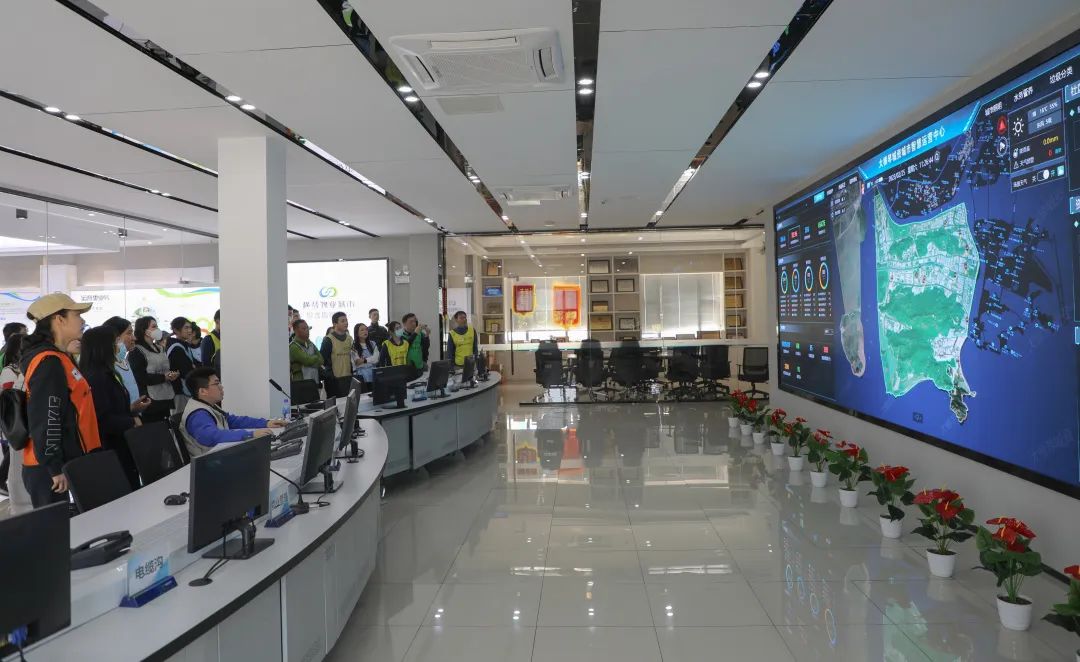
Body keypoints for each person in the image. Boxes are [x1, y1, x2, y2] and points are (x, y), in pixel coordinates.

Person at [20, 293, 103, 507]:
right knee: (56, 527)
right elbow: (47, 416)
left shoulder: (59, 357)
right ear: (59, 319)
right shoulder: (48, 361)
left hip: (63, 461)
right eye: (77, 315)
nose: (82, 320)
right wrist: (54, 467)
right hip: (50, 469)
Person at [79, 327, 145, 490]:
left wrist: (130, 409)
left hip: (121, 441)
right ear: (102, 347)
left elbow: (112, 406)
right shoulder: (96, 377)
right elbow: (101, 419)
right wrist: (132, 421)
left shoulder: (107, 372)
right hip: (110, 447)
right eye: (115, 342)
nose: (118, 346)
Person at [178, 367, 285, 458]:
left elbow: (233, 421)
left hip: (222, 455)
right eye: (216, 384)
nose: (221, 387)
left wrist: (266, 423)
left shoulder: (208, 405)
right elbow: (212, 436)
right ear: (202, 391)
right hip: (210, 463)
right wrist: (251, 434)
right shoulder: (197, 414)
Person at [129, 316, 180, 423]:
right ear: (145, 331)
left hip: (166, 395)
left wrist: (172, 375)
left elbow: (166, 368)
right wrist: (163, 377)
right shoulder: (137, 351)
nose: (157, 329)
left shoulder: (160, 348)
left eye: (157, 326)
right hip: (150, 399)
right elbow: (139, 376)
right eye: (154, 327)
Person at [0, 334, 27, 499]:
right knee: (11, 456)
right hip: (11, 421)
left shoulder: (18, 368)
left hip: (16, 421)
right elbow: (11, 398)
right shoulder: (9, 371)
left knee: (13, 455)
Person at [103, 316, 142, 408]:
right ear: (114, 337)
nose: (134, 338)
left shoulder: (124, 361)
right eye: (129, 333)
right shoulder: (106, 367)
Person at [320, 312, 353, 397]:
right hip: (334, 380)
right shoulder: (328, 339)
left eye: (346, 320)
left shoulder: (349, 338)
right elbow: (322, 361)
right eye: (342, 321)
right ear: (335, 324)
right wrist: (329, 376)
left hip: (348, 378)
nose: (346, 323)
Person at [167, 317, 200, 399]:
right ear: (176, 330)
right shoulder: (176, 348)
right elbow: (187, 371)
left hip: (186, 389)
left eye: (190, 327)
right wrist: (193, 367)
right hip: (180, 392)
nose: (190, 330)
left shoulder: (184, 345)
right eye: (186, 328)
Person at [351, 322, 378, 388]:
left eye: (366, 329)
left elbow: (376, 359)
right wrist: (370, 359)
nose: (365, 331)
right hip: (361, 376)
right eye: (362, 330)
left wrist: (364, 360)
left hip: (373, 374)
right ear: (357, 333)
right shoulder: (354, 346)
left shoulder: (372, 343)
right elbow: (357, 362)